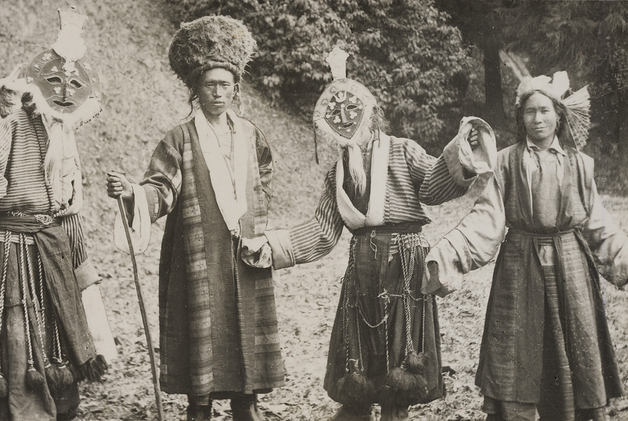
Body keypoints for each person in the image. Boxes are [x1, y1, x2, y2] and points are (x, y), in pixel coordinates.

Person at [240, 47, 497, 421]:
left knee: (401, 349)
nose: (346, 121)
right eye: (337, 116)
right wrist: (271, 247)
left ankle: (396, 411)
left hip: (404, 262)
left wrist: (461, 156)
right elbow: (323, 231)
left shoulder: (402, 151)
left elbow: (432, 187)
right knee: (358, 352)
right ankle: (356, 407)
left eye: (353, 112)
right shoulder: (338, 174)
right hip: (361, 265)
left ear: (372, 114)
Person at [0, 7, 109, 421]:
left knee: (58, 332)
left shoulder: (61, 128)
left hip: (54, 242)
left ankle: (60, 410)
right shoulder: (12, 118)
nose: (65, 94)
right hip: (12, 249)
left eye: (74, 84)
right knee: (16, 337)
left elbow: (67, 193)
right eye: (57, 83)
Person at [106, 16, 283, 421]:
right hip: (198, 254)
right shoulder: (179, 138)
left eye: (225, 85)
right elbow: (160, 187)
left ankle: (246, 404)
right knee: (203, 338)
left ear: (236, 88)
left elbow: (266, 172)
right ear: (196, 90)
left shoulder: (251, 134)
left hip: (245, 252)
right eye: (209, 85)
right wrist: (133, 192)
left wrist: (255, 211)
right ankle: (198, 408)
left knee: (245, 336)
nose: (218, 93)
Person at [423, 71, 628, 420]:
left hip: (572, 268)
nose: (537, 119)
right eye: (530, 112)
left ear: (559, 115)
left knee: (573, 353)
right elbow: (486, 219)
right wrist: (449, 254)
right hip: (519, 267)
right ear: (521, 117)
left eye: (545, 111)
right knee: (518, 356)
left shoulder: (580, 165)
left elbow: (598, 223)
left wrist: (622, 256)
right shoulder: (505, 162)